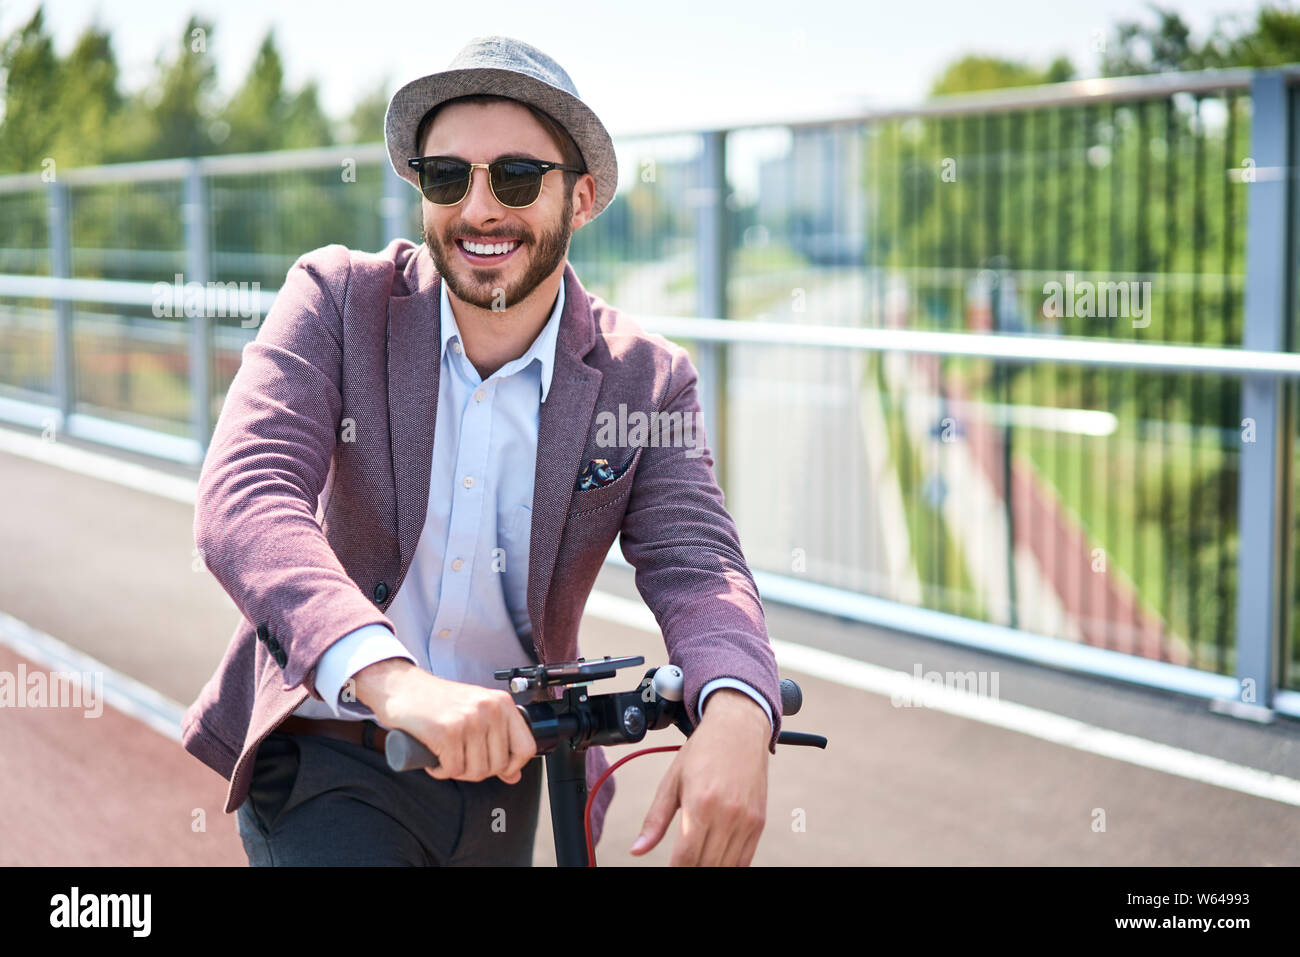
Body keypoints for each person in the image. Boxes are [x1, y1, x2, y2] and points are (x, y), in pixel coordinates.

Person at [181, 35, 782, 866]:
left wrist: (741, 706)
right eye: (447, 176)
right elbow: (245, 498)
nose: (479, 208)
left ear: (582, 198)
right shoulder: (334, 299)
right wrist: (397, 683)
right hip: (336, 752)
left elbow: (698, 561)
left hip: (516, 774)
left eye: (517, 177)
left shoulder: (646, 378)